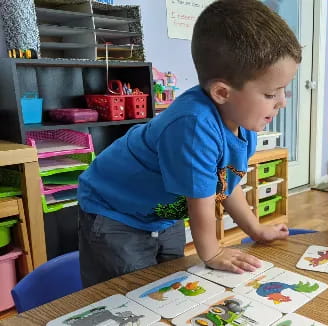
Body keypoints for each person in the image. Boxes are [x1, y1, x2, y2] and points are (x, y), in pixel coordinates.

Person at [77, 0, 301, 287]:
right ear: (223, 92)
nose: (282, 102)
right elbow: (201, 204)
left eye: (283, 90)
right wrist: (213, 251)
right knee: (129, 296)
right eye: (271, 93)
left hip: (161, 213)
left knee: (169, 286)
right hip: (114, 212)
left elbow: (225, 184)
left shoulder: (245, 121)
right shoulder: (193, 125)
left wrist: (255, 229)